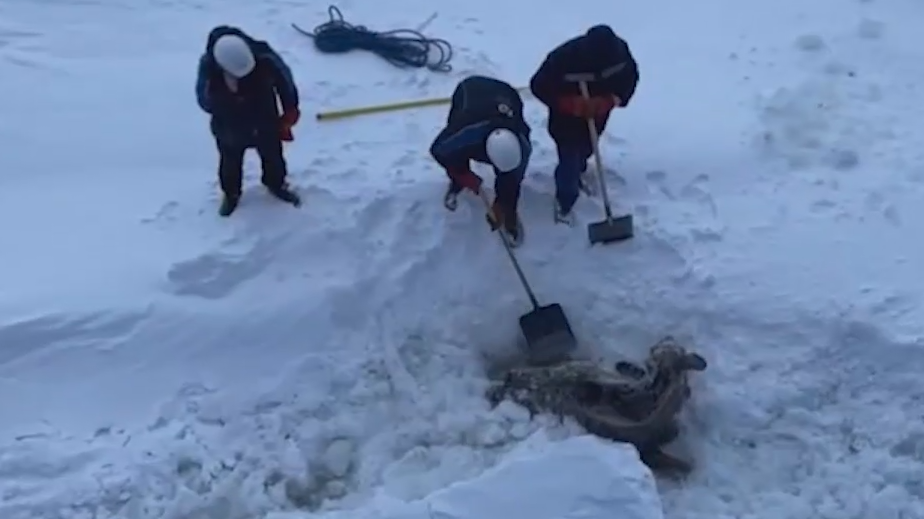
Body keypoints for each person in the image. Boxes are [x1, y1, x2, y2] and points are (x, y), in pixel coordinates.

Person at [486, 336, 706, 474]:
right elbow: (661, 461)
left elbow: (662, 461)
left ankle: (509, 385)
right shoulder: (645, 428)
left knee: (567, 381)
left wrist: (680, 467)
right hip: (599, 395)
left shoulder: (644, 430)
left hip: (593, 397)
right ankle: (511, 384)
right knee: (571, 380)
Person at [529, 25, 639, 225]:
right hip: (565, 119)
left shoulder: (619, 55)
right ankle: (565, 202)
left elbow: (629, 79)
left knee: (586, 149)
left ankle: (578, 172)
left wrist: (610, 100)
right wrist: (570, 104)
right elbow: (538, 85)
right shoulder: (563, 58)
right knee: (569, 158)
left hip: (596, 116)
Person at [195, 26, 302, 217]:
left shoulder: (264, 56)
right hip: (229, 125)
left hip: (264, 116)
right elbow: (204, 100)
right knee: (230, 161)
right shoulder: (208, 66)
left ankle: (276, 183)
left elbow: (284, 79)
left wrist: (290, 107)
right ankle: (231, 193)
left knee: (273, 155)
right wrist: (223, 99)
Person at [430, 75, 532, 246]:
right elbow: (438, 151)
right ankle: (457, 183)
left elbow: (513, 179)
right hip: (470, 91)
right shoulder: (467, 134)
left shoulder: (522, 148)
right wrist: (466, 177)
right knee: (456, 154)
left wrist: (502, 203)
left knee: (510, 180)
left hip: (507, 95)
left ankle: (508, 212)